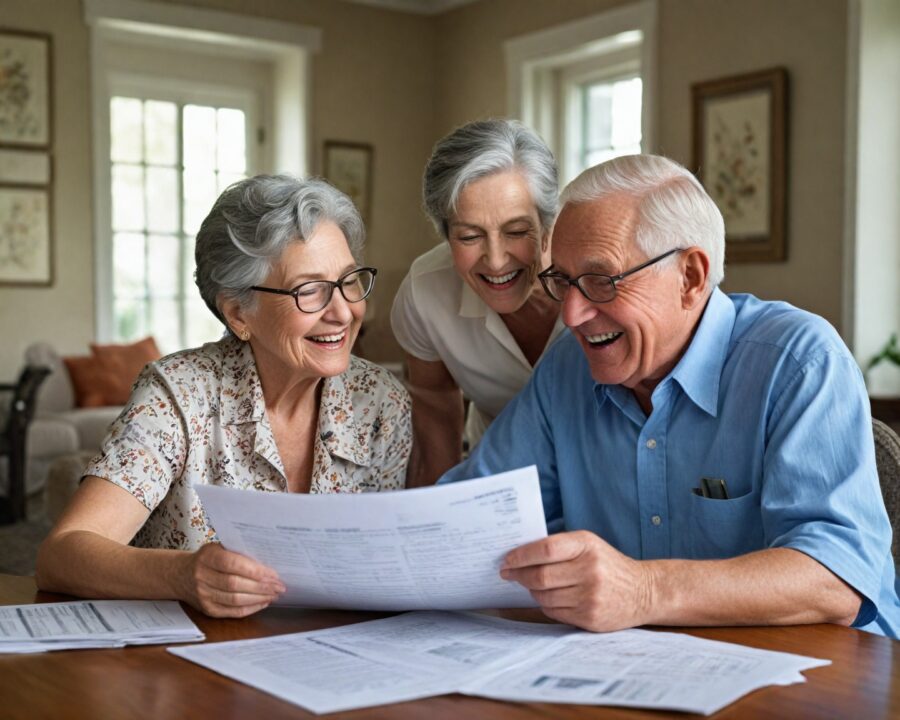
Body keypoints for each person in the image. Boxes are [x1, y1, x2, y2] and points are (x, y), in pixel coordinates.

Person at [439, 154, 900, 637]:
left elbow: (837, 578)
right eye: (563, 281)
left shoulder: (798, 361)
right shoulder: (565, 372)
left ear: (690, 277)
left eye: (601, 281)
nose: (571, 314)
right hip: (636, 663)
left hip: (822, 665)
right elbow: (470, 515)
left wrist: (643, 592)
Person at [36, 175, 412, 618]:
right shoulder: (178, 394)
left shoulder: (380, 402)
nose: (344, 312)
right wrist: (180, 575)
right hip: (191, 653)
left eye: (349, 280)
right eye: (309, 290)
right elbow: (61, 555)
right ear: (238, 314)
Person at [391, 119, 566, 487]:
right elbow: (434, 405)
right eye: (469, 237)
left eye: (517, 231)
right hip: (495, 479)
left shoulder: (598, 279)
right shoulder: (426, 291)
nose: (497, 260)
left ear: (548, 223)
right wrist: (442, 507)